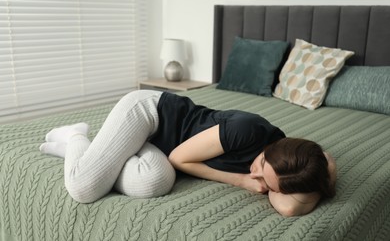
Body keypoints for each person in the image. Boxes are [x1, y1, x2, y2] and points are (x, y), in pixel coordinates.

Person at [40, 90, 336, 217]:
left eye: (267, 184)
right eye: (259, 164)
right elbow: (179, 159)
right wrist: (241, 182)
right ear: (271, 149)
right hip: (151, 114)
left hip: (160, 148)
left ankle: (102, 152)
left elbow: (289, 208)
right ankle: (75, 136)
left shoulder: (288, 169)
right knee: (83, 186)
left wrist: (323, 178)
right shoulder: (248, 130)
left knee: (156, 182)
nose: (255, 174)